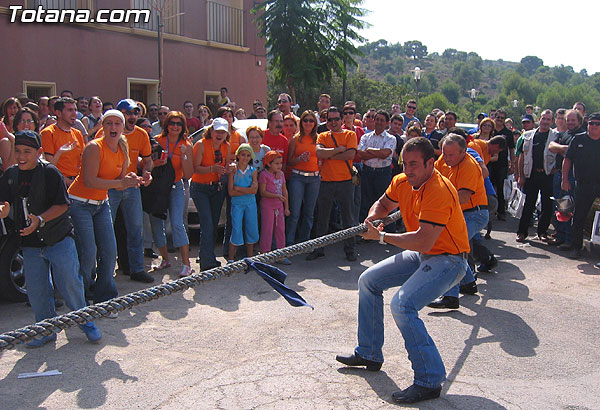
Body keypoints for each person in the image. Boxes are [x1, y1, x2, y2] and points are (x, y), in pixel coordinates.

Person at [336, 137, 469, 404]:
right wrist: (372, 219)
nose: (408, 170)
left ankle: (429, 380)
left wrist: (382, 238)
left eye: (414, 164)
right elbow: (384, 205)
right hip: (425, 254)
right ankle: (369, 353)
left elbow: (423, 240)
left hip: (449, 260)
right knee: (368, 281)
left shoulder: (439, 190)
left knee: (402, 305)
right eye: (405, 164)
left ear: (431, 163)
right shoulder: (402, 181)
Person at [0, 130, 102, 347]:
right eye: (17, 151)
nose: (21, 156)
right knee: (37, 292)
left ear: (38, 152)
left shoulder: (50, 173)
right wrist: (4, 211)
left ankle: (86, 322)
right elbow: (7, 206)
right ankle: (45, 330)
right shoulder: (10, 176)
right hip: (29, 245)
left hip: (59, 239)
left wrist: (40, 219)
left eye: (27, 151)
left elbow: (62, 205)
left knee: (70, 285)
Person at [67, 110, 141, 308]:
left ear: (122, 127)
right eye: (109, 123)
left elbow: (120, 179)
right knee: (88, 252)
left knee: (109, 251)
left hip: (101, 204)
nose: (113, 127)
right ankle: (80, 298)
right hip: (80, 203)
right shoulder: (93, 147)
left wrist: (135, 180)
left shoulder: (123, 148)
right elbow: (90, 181)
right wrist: (121, 183)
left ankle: (104, 297)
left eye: (117, 124)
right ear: (103, 126)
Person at [427, 134, 488, 309]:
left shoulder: (469, 165)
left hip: (474, 214)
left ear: (463, 152)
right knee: (455, 248)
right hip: (459, 213)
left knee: (450, 249)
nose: (446, 158)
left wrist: (436, 204)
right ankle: (468, 283)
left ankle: (451, 296)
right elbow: (432, 175)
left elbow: (463, 196)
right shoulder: (445, 158)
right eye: (444, 153)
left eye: (451, 155)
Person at [100, 99, 154, 283]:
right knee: (106, 230)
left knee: (136, 228)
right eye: (128, 112)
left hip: (132, 187)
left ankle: (137, 269)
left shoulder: (141, 134)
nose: (132, 116)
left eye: (135, 113)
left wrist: (147, 173)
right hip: (110, 187)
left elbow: (147, 160)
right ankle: (104, 274)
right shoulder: (104, 133)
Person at [307, 106, 357, 262]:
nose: (333, 122)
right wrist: (338, 150)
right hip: (326, 182)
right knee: (322, 218)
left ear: (342, 119)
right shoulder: (322, 136)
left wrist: (330, 153)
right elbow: (319, 153)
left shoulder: (350, 134)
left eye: (336, 119)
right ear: (326, 121)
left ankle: (350, 250)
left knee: (347, 218)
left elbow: (350, 154)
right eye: (330, 119)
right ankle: (319, 249)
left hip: (345, 182)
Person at [149, 111, 194, 277]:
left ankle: (186, 263)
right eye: (172, 123)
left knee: (176, 223)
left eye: (178, 124)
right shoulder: (157, 141)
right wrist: (156, 163)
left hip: (176, 186)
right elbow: (148, 165)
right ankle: (166, 259)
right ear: (166, 125)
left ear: (183, 127)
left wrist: (183, 156)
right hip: (158, 187)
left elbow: (188, 174)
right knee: (156, 222)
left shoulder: (187, 145)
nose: (175, 126)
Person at [191, 118, 231, 270]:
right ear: (211, 131)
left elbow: (225, 166)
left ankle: (206, 256)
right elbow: (195, 168)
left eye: (223, 132)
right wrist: (212, 169)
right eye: (217, 131)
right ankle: (207, 261)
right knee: (207, 223)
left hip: (217, 188)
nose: (220, 134)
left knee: (213, 224)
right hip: (200, 188)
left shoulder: (226, 146)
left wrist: (228, 169)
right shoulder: (201, 144)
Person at [561, 112, 600, 260]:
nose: (594, 126)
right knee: (578, 217)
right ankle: (576, 247)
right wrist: (565, 179)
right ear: (587, 124)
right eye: (591, 123)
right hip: (583, 184)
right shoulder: (578, 139)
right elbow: (567, 160)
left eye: (597, 123)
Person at [516, 110, 556, 243]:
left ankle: (542, 232)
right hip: (531, 175)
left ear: (552, 121)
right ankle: (522, 232)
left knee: (547, 205)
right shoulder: (528, 135)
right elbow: (521, 157)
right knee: (528, 204)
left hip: (547, 175)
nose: (545, 122)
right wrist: (521, 176)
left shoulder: (556, 136)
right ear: (539, 119)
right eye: (543, 119)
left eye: (548, 119)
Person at [547, 109, 585, 248]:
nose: (569, 122)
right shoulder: (563, 134)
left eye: (572, 120)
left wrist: (562, 149)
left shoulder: (583, 135)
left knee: (570, 207)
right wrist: (568, 148)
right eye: (567, 120)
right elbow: (551, 146)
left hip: (573, 176)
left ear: (580, 121)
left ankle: (569, 240)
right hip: (559, 174)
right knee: (561, 206)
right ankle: (561, 236)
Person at [286, 110, 320, 246]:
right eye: (305, 120)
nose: (308, 123)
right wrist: (299, 158)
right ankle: (289, 243)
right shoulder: (296, 139)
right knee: (294, 213)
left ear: (315, 123)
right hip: (297, 178)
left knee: (309, 213)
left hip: (314, 179)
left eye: (311, 121)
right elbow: (289, 161)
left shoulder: (319, 138)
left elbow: (323, 158)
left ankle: (304, 243)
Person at [357, 110, 396, 223]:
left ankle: (384, 233)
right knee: (366, 202)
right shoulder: (365, 137)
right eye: (377, 119)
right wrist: (378, 153)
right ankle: (365, 232)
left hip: (383, 173)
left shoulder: (391, 138)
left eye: (382, 120)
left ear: (387, 123)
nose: (379, 122)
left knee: (383, 204)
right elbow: (360, 154)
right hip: (367, 172)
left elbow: (385, 154)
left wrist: (369, 151)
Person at [40, 97, 86, 187]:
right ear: (58, 113)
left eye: (75, 110)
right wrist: (68, 182)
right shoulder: (48, 133)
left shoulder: (77, 133)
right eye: (70, 110)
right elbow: (49, 167)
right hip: (58, 184)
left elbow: (83, 160)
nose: (75, 114)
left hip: (77, 183)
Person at [228, 144, 259, 263]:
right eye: (242, 155)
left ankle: (250, 259)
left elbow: (254, 191)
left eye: (247, 155)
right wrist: (248, 191)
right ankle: (231, 259)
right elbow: (231, 192)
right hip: (237, 204)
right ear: (238, 155)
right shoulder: (233, 170)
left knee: (251, 227)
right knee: (236, 229)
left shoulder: (253, 171)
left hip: (250, 204)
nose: (245, 158)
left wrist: (239, 189)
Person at [259, 151, 290, 262]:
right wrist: (276, 196)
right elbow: (262, 192)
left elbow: (284, 190)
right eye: (276, 163)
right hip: (267, 206)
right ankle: (264, 254)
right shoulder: (264, 175)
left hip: (279, 206)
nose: (279, 166)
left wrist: (286, 207)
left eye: (280, 163)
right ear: (268, 163)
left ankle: (281, 254)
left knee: (280, 229)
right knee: (267, 229)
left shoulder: (281, 174)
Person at [490, 109, 516, 220]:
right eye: (498, 117)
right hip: (489, 162)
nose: (499, 119)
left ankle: (501, 212)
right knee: (489, 187)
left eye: (502, 117)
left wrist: (513, 165)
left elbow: (511, 149)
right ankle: (489, 211)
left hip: (502, 164)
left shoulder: (508, 133)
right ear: (494, 118)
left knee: (500, 188)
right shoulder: (490, 130)